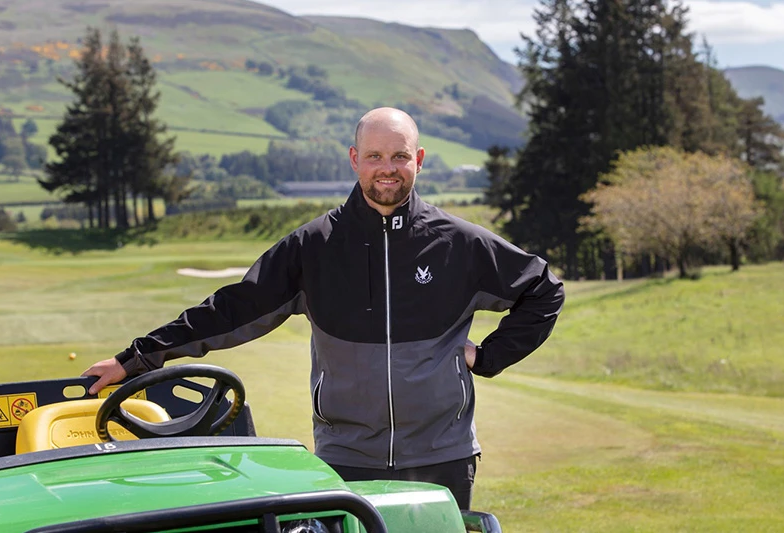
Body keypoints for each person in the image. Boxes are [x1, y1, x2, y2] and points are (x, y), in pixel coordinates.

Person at [83, 107, 565, 510]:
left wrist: (491, 356)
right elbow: (231, 309)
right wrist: (135, 358)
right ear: (355, 160)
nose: (387, 168)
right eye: (374, 155)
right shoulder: (313, 246)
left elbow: (544, 290)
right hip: (346, 455)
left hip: (443, 454)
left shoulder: (460, 244)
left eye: (399, 156)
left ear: (418, 160)